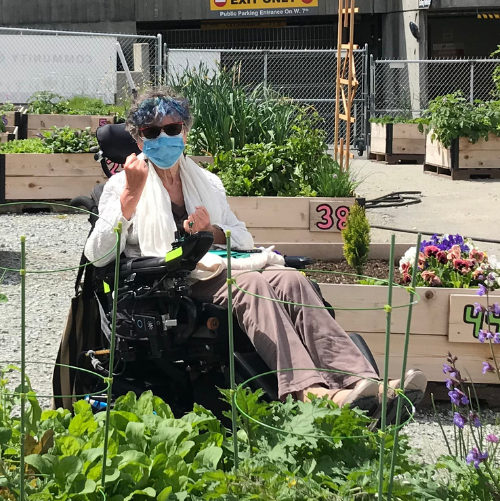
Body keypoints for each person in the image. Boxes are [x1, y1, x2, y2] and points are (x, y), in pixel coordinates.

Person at [84, 88, 425, 406]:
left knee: (291, 279)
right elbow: (97, 254)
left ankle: (360, 382)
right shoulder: (120, 186)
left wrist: (210, 231)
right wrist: (130, 196)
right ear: (138, 139)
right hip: (168, 283)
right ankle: (307, 391)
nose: (164, 138)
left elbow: (242, 238)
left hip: (217, 266)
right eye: (152, 132)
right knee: (252, 284)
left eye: (171, 128)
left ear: (185, 131)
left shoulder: (207, 183)